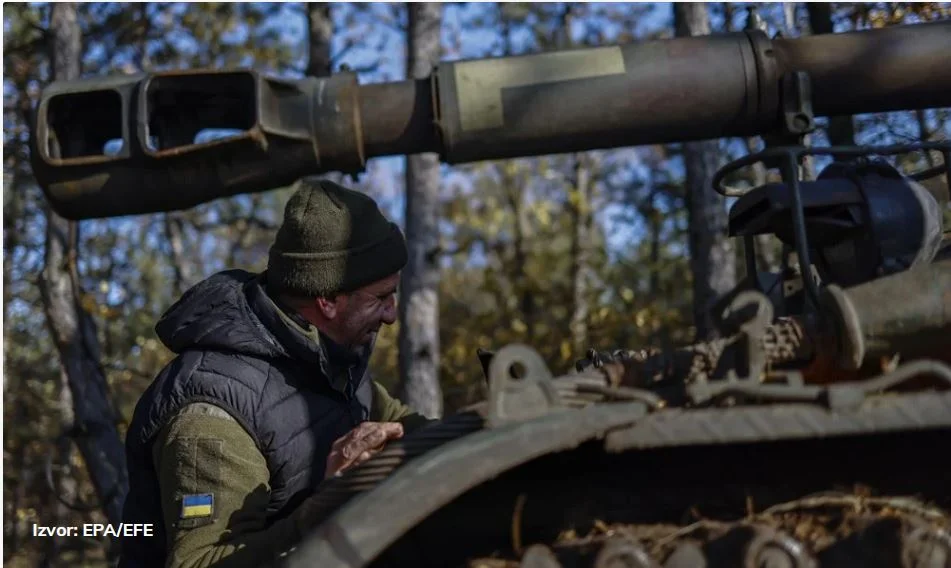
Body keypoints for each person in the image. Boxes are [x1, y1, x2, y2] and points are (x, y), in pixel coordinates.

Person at [118, 178, 432, 568]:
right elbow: (200, 562)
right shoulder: (210, 414)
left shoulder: (331, 359)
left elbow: (405, 428)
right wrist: (327, 507)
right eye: (381, 298)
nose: (392, 314)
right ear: (329, 300)